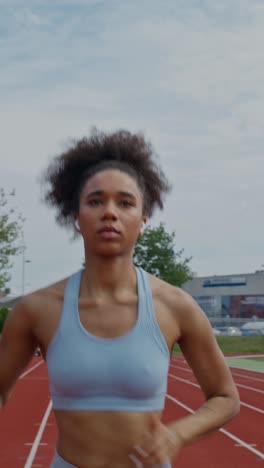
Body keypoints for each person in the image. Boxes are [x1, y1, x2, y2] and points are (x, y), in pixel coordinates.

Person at [0, 129, 240, 468]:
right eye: (95, 201)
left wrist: (177, 434)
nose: (109, 212)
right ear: (75, 217)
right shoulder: (36, 309)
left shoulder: (175, 306)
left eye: (125, 202)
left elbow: (226, 397)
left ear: (142, 220)